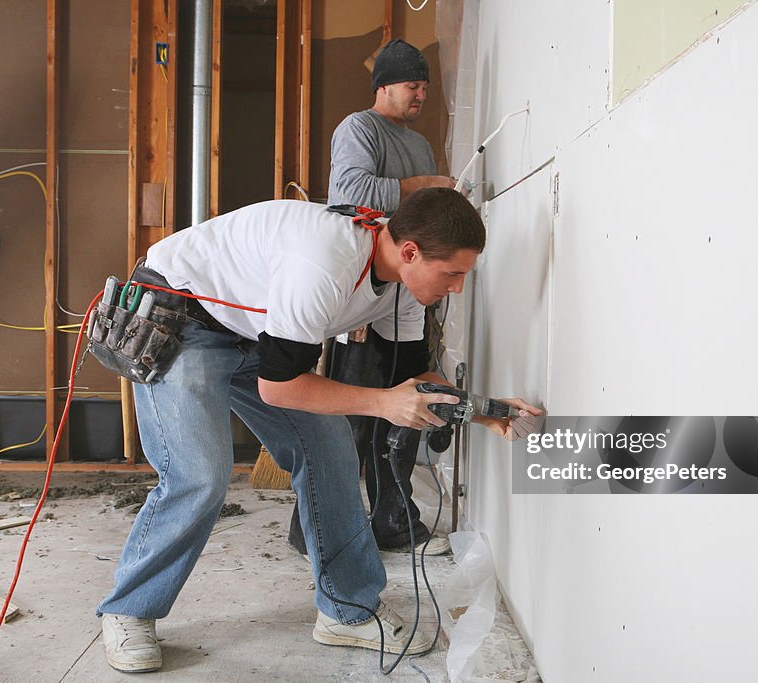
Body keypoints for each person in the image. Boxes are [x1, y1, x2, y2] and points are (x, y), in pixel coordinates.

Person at [96, 188, 542, 673]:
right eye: (452, 273)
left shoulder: (404, 290)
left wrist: (483, 410)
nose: (457, 287)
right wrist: (382, 404)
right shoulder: (325, 265)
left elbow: (410, 380)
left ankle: (347, 612)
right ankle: (129, 609)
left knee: (331, 453)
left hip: (255, 331)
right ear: (410, 252)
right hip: (181, 315)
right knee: (199, 475)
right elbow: (280, 388)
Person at [288, 39, 459, 560]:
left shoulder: (421, 143)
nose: (420, 95)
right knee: (352, 423)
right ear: (384, 85)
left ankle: (393, 519)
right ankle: (314, 528)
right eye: (413, 86)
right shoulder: (358, 129)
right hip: (365, 294)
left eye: (425, 87)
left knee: (406, 410)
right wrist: (425, 185)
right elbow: (348, 193)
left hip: (410, 299)